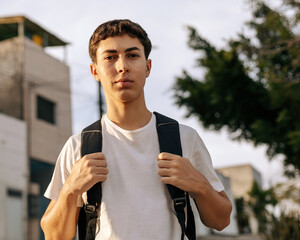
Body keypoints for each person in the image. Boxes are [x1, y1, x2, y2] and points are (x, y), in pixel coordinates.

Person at [40, 19, 232, 240]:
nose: (122, 66)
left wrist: (199, 185)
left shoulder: (184, 138)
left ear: (147, 67)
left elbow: (221, 221)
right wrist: (70, 189)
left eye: (132, 55)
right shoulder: (79, 147)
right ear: (95, 71)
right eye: (110, 57)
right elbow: (54, 236)